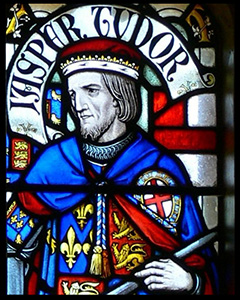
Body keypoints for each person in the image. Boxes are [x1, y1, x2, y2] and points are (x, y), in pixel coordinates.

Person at [7, 38, 218, 295]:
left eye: (91, 91)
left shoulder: (159, 168)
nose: (78, 105)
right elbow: (10, 244)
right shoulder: (54, 163)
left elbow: (204, 266)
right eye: (72, 94)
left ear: (120, 97)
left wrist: (189, 282)